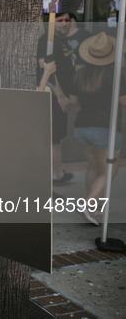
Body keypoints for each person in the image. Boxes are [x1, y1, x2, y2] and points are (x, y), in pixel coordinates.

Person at [70, 33, 126, 226]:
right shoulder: (115, 75)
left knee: (94, 167)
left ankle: (93, 205)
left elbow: (73, 101)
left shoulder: (80, 74)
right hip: (105, 128)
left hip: (82, 127)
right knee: (109, 171)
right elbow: (124, 101)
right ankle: (89, 204)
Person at [37, 12, 79, 186]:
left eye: (67, 21)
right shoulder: (47, 42)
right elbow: (45, 70)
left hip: (59, 99)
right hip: (53, 100)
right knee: (54, 140)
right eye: (60, 21)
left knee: (57, 139)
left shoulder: (59, 41)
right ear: (52, 22)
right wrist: (61, 96)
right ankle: (55, 175)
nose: (64, 24)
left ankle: (56, 173)